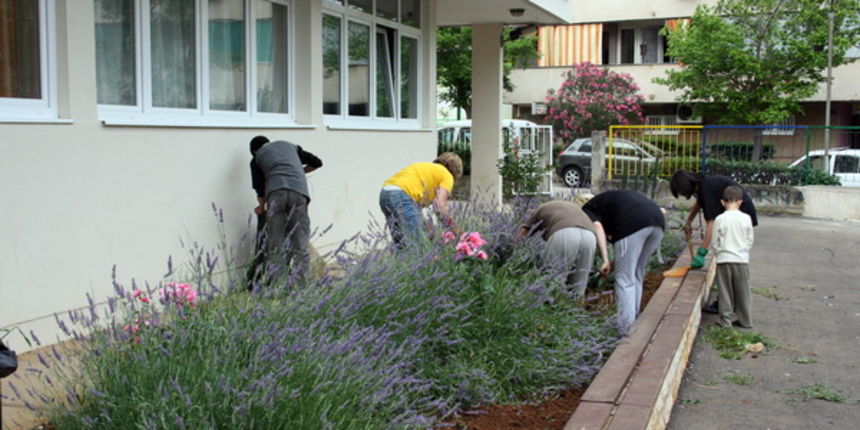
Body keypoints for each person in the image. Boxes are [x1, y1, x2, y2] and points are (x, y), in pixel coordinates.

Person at [670, 169, 758, 313]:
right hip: (737, 217)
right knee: (727, 259)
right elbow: (699, 204)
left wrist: (701, 253)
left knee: (728, 260)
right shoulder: (704, 186)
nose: (684, 195)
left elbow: (712, 224)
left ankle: (725, 303)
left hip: (739, 218)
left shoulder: (707, 188)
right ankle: (728, 302)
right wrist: (689, 221)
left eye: (681, 191)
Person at [581, 190, 665, 332]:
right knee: (636, 273)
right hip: (658, 222)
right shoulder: (607, 202)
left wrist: (605, 260)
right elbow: (627, 255)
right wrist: (612, 264)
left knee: (624, 280)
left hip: (633, 223)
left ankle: (625, 331)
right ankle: (635, 320)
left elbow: (597, 226)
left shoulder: (587, 210)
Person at [250, 136, 322, 285]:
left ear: (255, 150)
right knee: (300, 245)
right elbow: (317, 162)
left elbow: (259, 188)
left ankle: (278, 288)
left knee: (276, 245)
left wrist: (261, 207)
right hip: (299, 193)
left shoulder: (257, 157)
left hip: (276, 195)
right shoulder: (291, 147)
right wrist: (298, 172)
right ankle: (302, 288)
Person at [379, 153, 463, 249]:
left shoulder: (427, 168)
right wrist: (456, 231)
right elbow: (439, 206)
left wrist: (429, 229)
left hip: (385, 194)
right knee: (418, 247)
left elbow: (414, 209)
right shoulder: (447, 175)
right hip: (401, 195)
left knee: (402, 246)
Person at [515, 200, 597, 297]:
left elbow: (520, 236)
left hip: (565, 234)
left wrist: (510, 253)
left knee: (551, 282)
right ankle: (573, 306)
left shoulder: (538, 210)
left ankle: (549, 305)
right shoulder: (572, 207)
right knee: (578, 287)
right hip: (590, 237)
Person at [711, 186, 755, 328]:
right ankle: (745, 320)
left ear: (722, 202)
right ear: (740, 202)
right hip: (741, 259)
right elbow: (750, 239)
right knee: (743, 291)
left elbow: (715, 241)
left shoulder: (720, 219)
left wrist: (719, 252)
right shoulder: (746, 218)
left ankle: (726, 320)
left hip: (724, 259)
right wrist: (744, 251)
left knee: (725, 291)